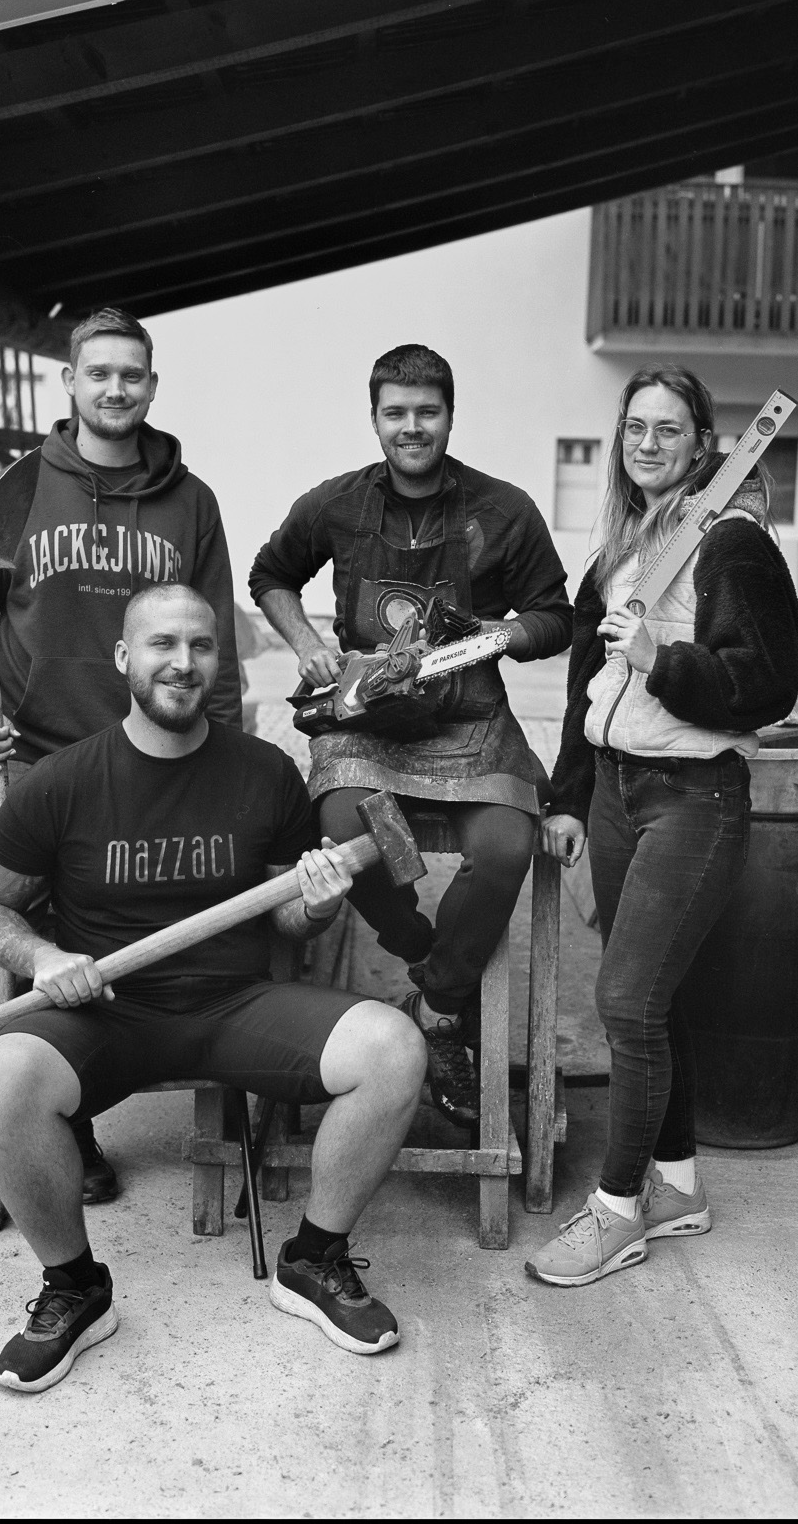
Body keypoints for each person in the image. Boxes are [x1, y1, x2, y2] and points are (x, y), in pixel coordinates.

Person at [0, 584, 427, 1391]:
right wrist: (41, 956)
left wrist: (315, 904)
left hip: (234, 1005)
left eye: (201, 645)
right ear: (124, 657)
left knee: (394, 1047)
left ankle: (312, 1261)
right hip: (107, 1012)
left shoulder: (263, 771)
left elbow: (288, 922)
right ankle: (75, 1288)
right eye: (163, 643)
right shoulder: (63, 781)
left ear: (219, 659)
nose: (183, 662)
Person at [0, 306, 244, 1258]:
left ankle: (67, 1117)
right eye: (99, 372)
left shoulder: (191, 504)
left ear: (152, 385)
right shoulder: (20, 490)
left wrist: (221, 768)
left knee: (102, 954)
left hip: (143, 767)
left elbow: (215, 646)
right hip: (29, 764)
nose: (115, 388)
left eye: (132, 374)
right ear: (70, 382)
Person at [249, 344, 571, 1130]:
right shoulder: (335, 504)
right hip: (368, 727)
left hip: (471, 723)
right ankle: (421, 945)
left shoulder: (505, 509)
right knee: (347, 826)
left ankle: (439, 1005)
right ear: (375, 418)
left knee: (505, 846)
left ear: (450, 416)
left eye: (427, 411)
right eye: (396, 412)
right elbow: (269, 574)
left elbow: (557, 615)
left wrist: (503, 634)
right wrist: (306, 644)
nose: (412, 427)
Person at [526, 366, 798, 1287]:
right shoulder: (626, 547)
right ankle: (677, 1185)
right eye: (635, 427)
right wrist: (569, 795)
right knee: (657, 997)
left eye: (669, 430)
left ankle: (618, 1210)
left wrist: (662, 657)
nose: (648, 444)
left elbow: (768, 685)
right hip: (616, 791)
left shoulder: (732, 543)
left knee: (627, 1002)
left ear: (703, 443)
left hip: (694, 797)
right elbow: (585, 685)